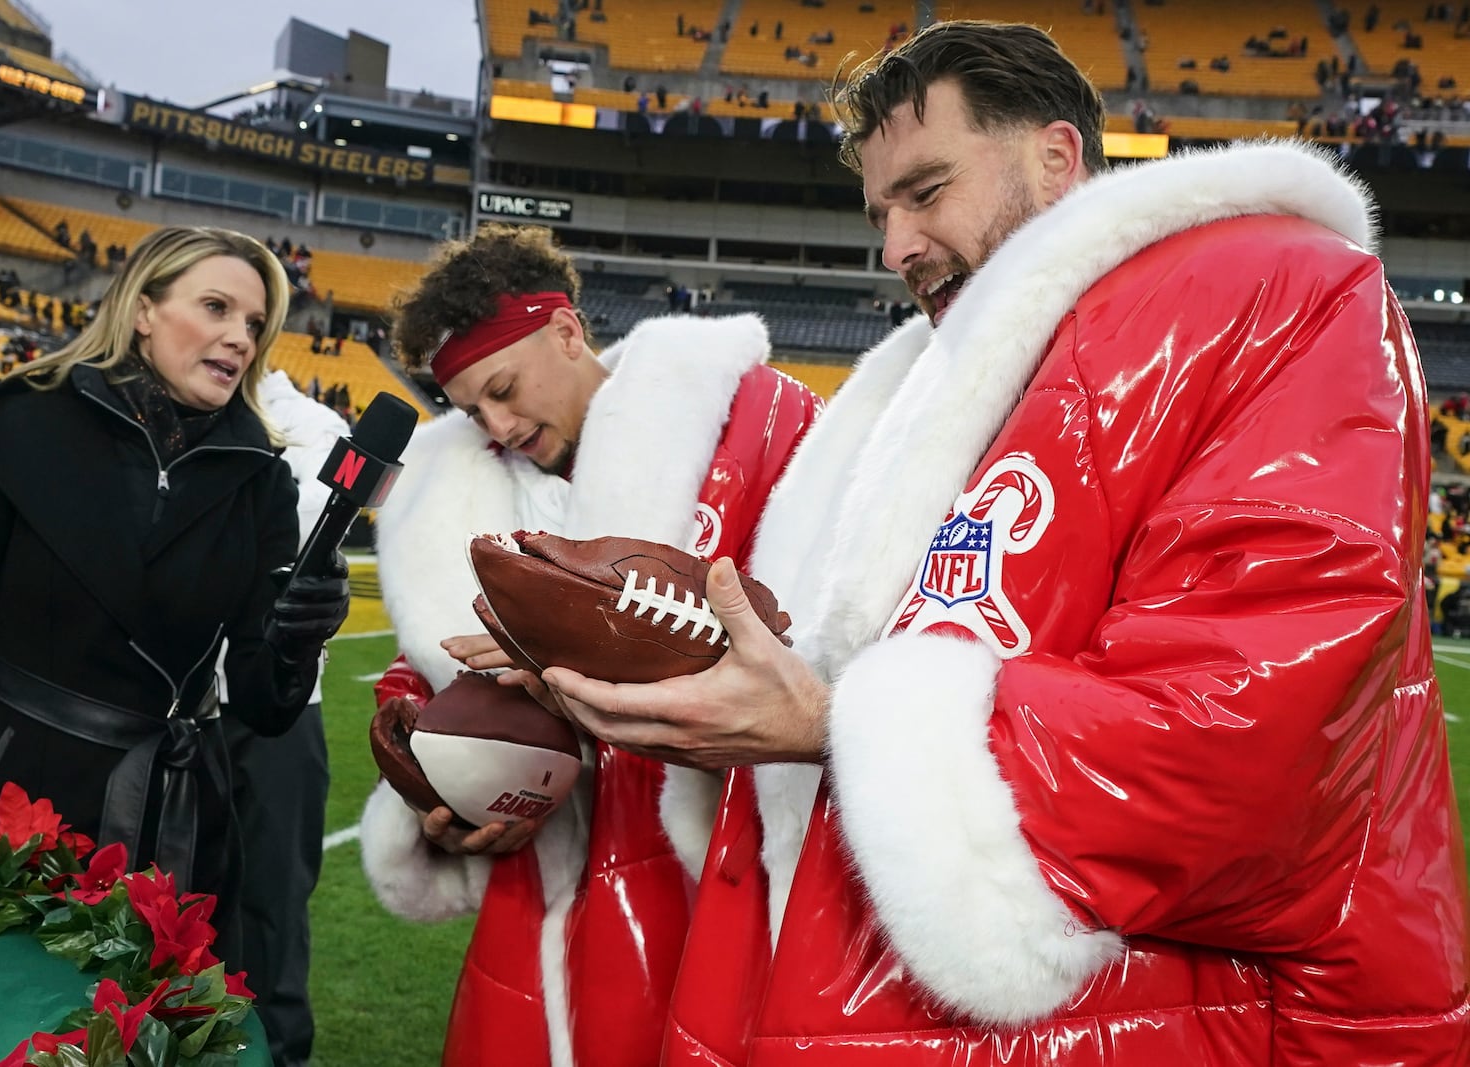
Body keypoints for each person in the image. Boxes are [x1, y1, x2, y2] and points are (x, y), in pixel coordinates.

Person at [538, 20, 1470, 1064]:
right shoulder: (926, 386)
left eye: (926, 192)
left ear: (1055, 157)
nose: (893, 246)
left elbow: (1257, 734)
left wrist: (830, 723)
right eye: (881, 211)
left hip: (1163, 1020)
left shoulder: (1278, 289)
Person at [357, 224, 819, 1067]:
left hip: (716, 863)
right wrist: (432, 751)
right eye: (469, 410)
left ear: (567, 331)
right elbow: (428, 663)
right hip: (550, 886)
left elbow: (827, 623)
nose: (496, 424)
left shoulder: (753, 426)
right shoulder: (467, 494)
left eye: (503, 387)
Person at [0, 228, 349, 953]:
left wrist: (298, 633)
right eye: (216, 307)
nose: (239, 338)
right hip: (11, 814)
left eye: (254, 324)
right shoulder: (16, 423)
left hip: (178, 832)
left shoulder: (262, 478)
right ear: (144, 309)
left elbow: (263, 702)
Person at [219, 368, 350, 1067]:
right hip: (164, 706)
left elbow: (287, 559)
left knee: (269, 914)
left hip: (273, 705)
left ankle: (280, 1057)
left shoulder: (311, 427)